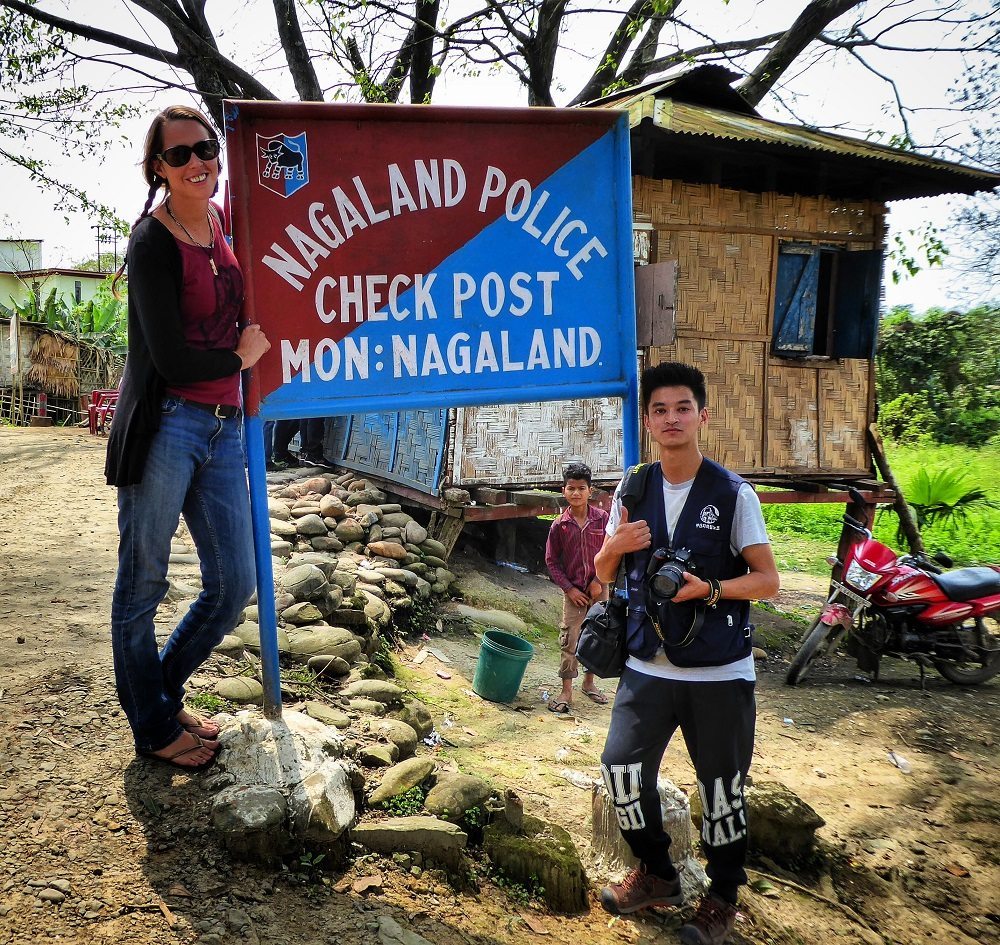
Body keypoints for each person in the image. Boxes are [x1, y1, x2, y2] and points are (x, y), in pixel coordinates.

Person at [105, 105, 270, 770]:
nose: (199, 161)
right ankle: (151, 727)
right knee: (142, 584)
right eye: (180, 155)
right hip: (167, 424)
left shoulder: (224, 221)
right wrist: (239, 358)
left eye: (206, 148)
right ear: (158, 169)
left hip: (224, 427)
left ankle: (161, 694)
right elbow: (171, 359)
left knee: (234, 584)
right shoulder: (151, 241)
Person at [594, 362, 779, 945]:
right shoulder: (634, 487)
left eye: (682, 408)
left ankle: (721, 898)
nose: (671, 419)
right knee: (621, 770)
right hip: (647, 664)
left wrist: (714, 589)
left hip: (720, 671)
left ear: (703, 415)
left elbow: (768, 579)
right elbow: (601, 577)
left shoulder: (731, 493)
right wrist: (614, 548)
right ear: (648, 420)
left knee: (722, 788)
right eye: (659, 409)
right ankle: (657, 872)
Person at [544, 462, 610, 713]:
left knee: (598, 636)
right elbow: (552, 560)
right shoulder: (559, 525)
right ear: (564, 491)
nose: (576, 493)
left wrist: (599, 582)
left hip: (599, 589)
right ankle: (566, 690)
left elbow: (611, 552)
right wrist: (569, 589)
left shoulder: (603, 521)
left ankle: (589, 683)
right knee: (570, 638)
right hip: (573, 594)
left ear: (590, 491)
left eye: (581, 488)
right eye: (571, 488)